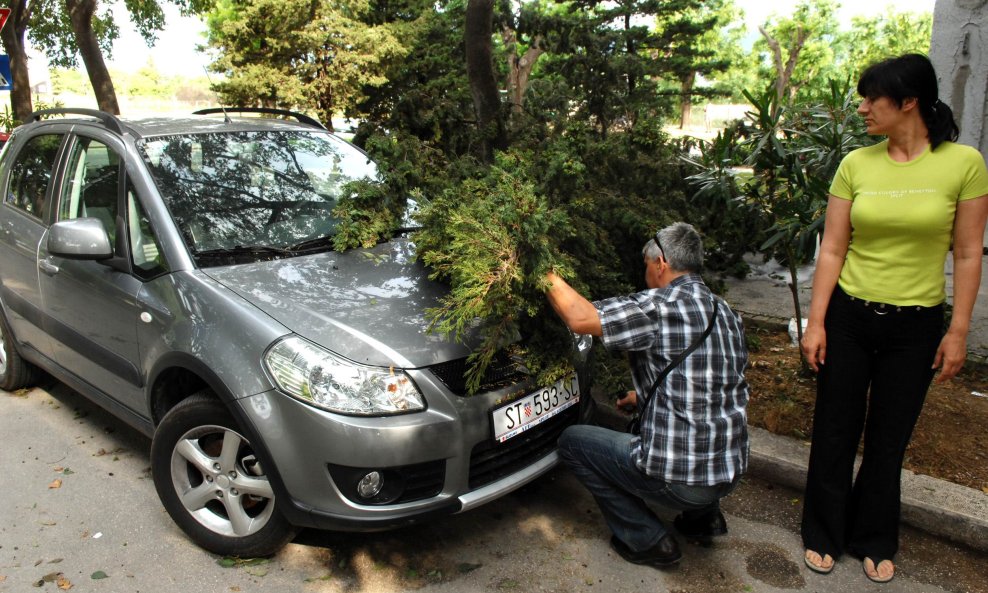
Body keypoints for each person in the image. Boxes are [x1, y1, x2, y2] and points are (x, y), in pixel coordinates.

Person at [799, 53, 988, 584]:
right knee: (835, 428)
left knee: (889, 438)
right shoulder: (856, 164)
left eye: (871, 99)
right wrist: (816, 322)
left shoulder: (964, 164)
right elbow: (833, 249)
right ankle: (823, 531)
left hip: (916, 326)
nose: (862, 108)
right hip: (849, 317)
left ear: (908, 102)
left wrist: (958, 330)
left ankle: (874, 536)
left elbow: (967, 253)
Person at [545, 222, 749, 567]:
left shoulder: (660, 307)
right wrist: (642, 398)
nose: (646, 273)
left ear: (660, 263)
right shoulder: (725, 312)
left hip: (683, 482)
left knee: (573, 442)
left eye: (646, 265)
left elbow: (580, 318)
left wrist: (540, 267)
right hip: (729, 472)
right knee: (696, 435)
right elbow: (710, 383)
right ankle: (704, 519)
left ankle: (648, 540)